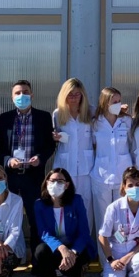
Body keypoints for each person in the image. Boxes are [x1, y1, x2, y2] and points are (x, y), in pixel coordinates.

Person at [0, 79, 55, 259]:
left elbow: (50, 145)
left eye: (25, 92)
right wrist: (8, 160)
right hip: (10, 176)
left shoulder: (44, 117)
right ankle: (8, 258)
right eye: (18, 93)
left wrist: (41, 158)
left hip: (33, 176)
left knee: (36, 219)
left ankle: (38, 261)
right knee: (7, 218)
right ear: (12, 97)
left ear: (32, 95)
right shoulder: (4, 119)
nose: (22, 96)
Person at [32, 168, 95, 277]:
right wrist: (62, 248)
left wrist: (72, 252)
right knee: (41, 251)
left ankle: (76, 275)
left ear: (67, 185)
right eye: (52, 181)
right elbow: (44, 233)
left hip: (75, 248)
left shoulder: (76, 201)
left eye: (60, 181)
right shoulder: (39, 204)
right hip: (56, 248)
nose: (56, 184)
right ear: (46, 183)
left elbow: (84, 231)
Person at [52, 78, 95, 232]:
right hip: (64, 168)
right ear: (64, 95)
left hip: (86, 169)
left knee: (86, 206)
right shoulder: (58, 114)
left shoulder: (91, 111)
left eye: (78, 94)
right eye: (70, 94)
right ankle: (66, 243)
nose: (74, 97)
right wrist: (54, 138)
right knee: (64, 205)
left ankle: (83, 244)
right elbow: (52, 138)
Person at [90, 86, 134, 233]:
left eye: (119, 101)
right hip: (101, 178)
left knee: (122, 220)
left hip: (123, 177)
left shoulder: (126, 121)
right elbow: (92, 145)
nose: (118, 104)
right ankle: (105, 256)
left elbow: (133, 144)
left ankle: (121, 254)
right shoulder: (95, 123)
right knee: (103, 221)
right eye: (114, 101)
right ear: (104, 102)